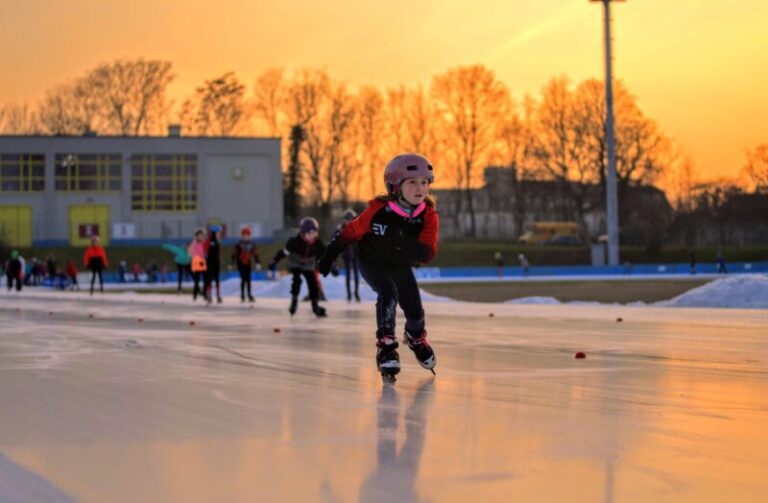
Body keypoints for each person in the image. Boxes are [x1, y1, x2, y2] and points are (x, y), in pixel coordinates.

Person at [318, 153, 439, 383]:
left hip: (399, 265)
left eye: (424, 182)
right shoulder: (378, 210)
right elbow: (349, 232)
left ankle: (416, 337)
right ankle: (386, 346)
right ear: (395, 186)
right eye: (413, 182)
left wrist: (403, 242)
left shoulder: (428, 215)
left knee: (415, 309)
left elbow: (427, 253)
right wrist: (329, 255)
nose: (420, 188)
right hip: (371, 262)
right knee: (388, 293)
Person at [269, 217, 329, 318]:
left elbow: (326, 256)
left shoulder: (318, 244)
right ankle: (294, 301)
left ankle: (315, 306)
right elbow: (283, 252)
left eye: (314, 233)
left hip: (308, 264)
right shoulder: (294, 242)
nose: (312, 237)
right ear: (302, 233)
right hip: (295, 263)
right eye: (309, 234)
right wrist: (274, 261)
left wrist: (332, 266)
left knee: (313, 283)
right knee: (297, 280)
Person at [232, 227, 261, 303]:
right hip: (240, 263)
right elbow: (234, 254)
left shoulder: (252, 244)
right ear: (242, 236)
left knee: (248, 279)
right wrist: (231, 262)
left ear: (250, 236)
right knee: (243, 279)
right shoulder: (239, 244)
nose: (246, 237)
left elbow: (256, 254)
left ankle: (249, 294)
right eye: (244, 235)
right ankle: (242, 295)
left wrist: (258, 262)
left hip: (248, 263)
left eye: (247, 235)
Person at [338, 209, 361, 302]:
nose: (348, 222)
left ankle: (356, 294)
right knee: (348, 274)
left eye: (350, 219)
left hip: (356, 255)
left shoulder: (357, 228)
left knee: (356, 275)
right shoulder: (342, 229)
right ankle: (348, 294)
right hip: (347, 255)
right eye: (347, 220)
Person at [204, 225, 223, 305]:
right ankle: (210, 295)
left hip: (215, 263)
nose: (220, 233)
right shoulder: (210, 241)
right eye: (219, 232)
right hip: (210, 263)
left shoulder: (216, 241)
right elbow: (205, 250)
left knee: (216, 279)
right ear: (215, 232)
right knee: (210, 279)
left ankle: (217, 295)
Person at [187, 228, 208, 301]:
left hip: (203, 263)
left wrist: (206, 258)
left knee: (206, 279)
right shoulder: (194, 244)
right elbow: (193, 254)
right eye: (200, 235)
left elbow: (206, 252)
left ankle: (205, 294)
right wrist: (200, 259)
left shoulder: (205, 243)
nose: (202, 237)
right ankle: (195, 294)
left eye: (203, 235)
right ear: (196, 236)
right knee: (196, 280)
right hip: (197, 264)